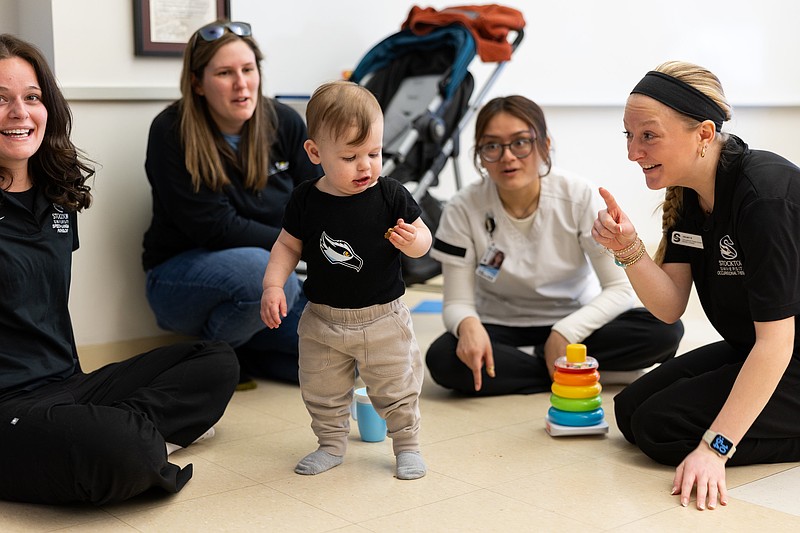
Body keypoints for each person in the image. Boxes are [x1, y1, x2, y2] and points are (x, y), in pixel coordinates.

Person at [0, 34, 238, 505]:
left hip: (69, 382)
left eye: (32, 97)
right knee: (121, 449)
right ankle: (129, 437)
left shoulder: (56, 196)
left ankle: (124, 432)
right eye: (0, 100)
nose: (19, 113)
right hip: (7, 402)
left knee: (216, 360)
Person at [592, 61, 800, 511]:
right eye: (628, 136)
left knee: (659, 428)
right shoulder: (690, 193)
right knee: (631, 411)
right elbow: (669, 307)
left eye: (648, 136)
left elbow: (778, 343)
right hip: (756, 347)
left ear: (704, 134)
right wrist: (628, 249)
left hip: (785, 353)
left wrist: (715, 449)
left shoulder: (763, 196)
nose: (633, 152)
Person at [426, 95, 684, 396]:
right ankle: (580, 372)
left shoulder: (578, 197)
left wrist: (566, 332)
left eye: (520, 142)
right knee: (443, 358)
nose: (507, 156)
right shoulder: (462, 208)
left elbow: (620, 290)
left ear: (545, 145)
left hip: (576, 322)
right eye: (492, 146)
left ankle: (547, 365)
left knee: (665, 330)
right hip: (499, 326)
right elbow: (456, 303)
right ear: (480, 156)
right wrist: (467, 325)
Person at [261, 81, 431, 480]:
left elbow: (424, 238)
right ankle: (330, 443)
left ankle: (406, 446)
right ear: (315, 153)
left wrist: (414, 242)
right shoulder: (305, 199)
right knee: (321, 389)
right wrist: (272, 285)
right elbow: (286, 246)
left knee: (397, 388)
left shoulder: (390, 195)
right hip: (321, 319)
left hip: (382, 319)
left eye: (374, 153)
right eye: (351, 156)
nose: (366, 166)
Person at [142, 20, 322, 389]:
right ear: (197, 82)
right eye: (225, 73)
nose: (242, 84)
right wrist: (296, 248)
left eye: (248, 69)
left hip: (275, 278)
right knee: (262, 273)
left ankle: (245, 351)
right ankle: (214, 357)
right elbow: (215, 227)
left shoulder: (284, 121)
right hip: (182, 276)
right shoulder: (170, 131)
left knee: (337, 358)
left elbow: (317, 201)